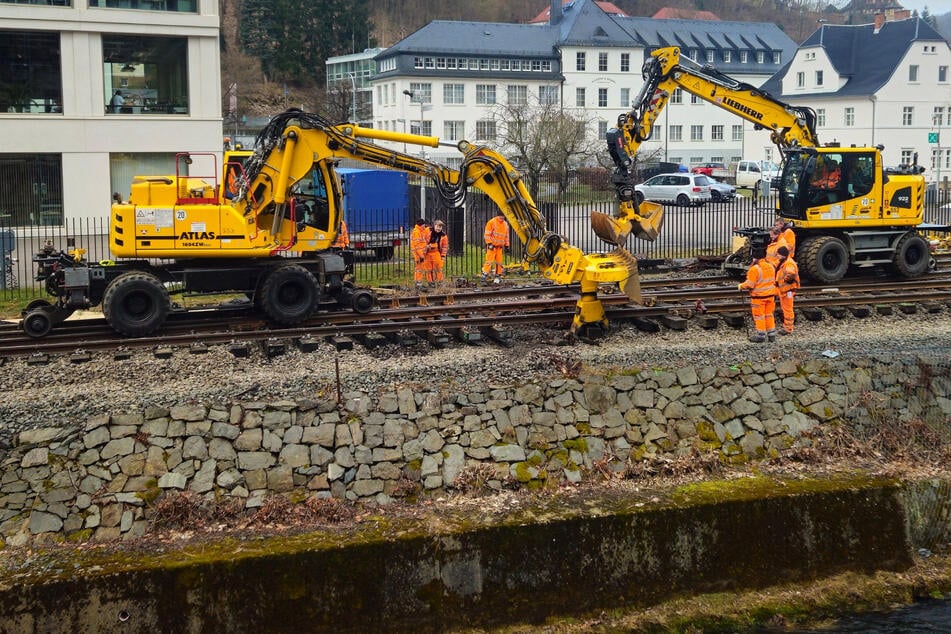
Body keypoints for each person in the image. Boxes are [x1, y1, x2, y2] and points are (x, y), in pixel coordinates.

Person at [738, 245, 777, 343]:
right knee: (769, 315)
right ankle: (772, 335)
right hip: (771, 296)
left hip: (759, 298)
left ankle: (761, 336)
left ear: (755, 258)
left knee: (759, 316)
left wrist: (741, 286)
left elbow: (750, 285)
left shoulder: (755, 269)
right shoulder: (771, 266)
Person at [774, 245, 800, 335]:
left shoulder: (788, 263)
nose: (777, 256)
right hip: (784, 290)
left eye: (778, 255)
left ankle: (788, 328)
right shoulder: (784, 261)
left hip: (787, 290)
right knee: (786, 308)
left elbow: (791, 273)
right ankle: (788, 327)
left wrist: (785, 280)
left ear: (783, 255)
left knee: (787, 309)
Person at [481, 214, 509, 283]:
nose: (502, 217)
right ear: (498, 216)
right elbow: (487, 234)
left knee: (499, 263)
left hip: (499, 247)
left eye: (503, 216)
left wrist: (507, 245)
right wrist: (489, 243)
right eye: (501, 216)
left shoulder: (505, 224)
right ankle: (484, 275)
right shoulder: (492, 222)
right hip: (492, 247)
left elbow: (506, 236)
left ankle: (497, 276)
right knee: (489, 261)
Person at [423, 219, 449, 285]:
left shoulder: (444, 236)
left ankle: (440, 281)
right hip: (427, 252)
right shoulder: (427, 231)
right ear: (434, 226)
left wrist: (442, 256)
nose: (438, 228)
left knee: (438, 267)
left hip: (436, 252)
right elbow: (422, 239)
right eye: (437, 226)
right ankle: (430, 282)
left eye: (440, 227)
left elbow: (445, 247)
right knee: (428, 269)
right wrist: (426, 246)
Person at [410, 217, 431, 289]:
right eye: (424, 225)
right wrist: (421, 256)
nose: (425, 226)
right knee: (419, 269)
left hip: (419, 253)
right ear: (421, 225)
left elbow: (422, 243)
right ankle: (418, 284)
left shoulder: (419, 231)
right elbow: (417, 246)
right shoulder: (417, 232)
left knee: (418, 269)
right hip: (418, 254)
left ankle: (417, 283)